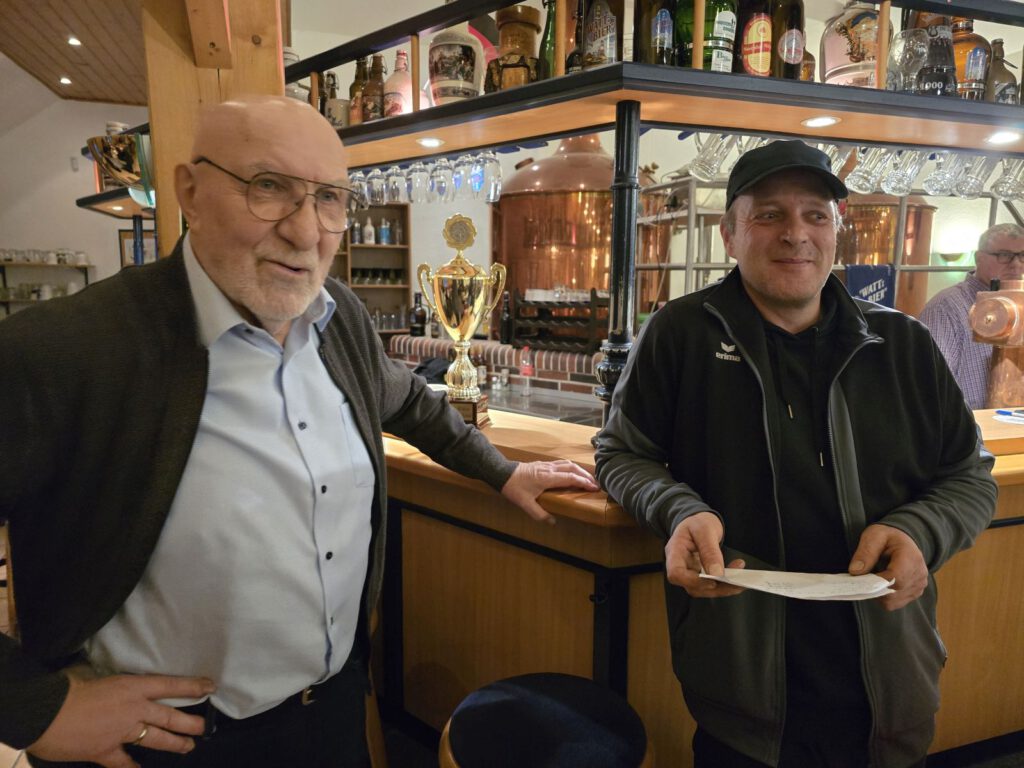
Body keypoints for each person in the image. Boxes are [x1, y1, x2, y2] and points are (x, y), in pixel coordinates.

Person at [0, 95, 598, 768]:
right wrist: (36, 708)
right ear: (190, 192)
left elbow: (409, 403)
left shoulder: (336, 316)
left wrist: (504, 471)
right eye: (269, 188)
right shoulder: (65, 349)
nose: (307, 231)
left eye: (331, 198)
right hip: (167, 743)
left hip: (331, 717)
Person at [595, 140, 996, 768]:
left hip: (889, 681)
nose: (796, 235)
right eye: (769, 215)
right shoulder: (680, 333)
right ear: (729, 233)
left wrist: (923, 530)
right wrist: (676, 510)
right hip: (741, 691)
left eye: (815, 214)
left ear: (838, 230)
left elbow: (970, 477)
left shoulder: (903, 344)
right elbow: (622, 454)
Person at [919, 223, 1024, 410]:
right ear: (979, 258)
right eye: (1004, 255)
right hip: (969, 430)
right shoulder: (946, 308)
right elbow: (930, 384)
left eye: (1022, 256)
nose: (1016, 264)